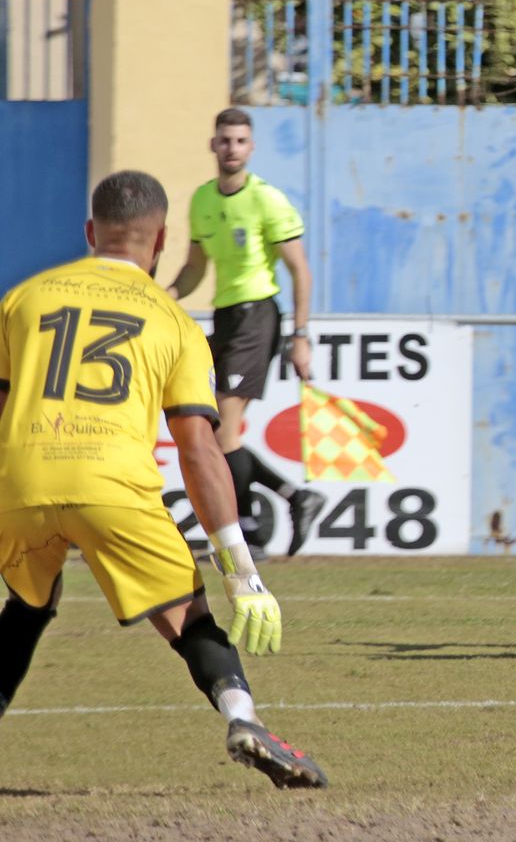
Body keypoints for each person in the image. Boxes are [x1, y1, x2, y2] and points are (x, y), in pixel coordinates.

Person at [0, 171, 328, 787]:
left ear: (91, 232)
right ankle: (244, 718)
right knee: (190, 616)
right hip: (113, 489)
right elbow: (199, 451)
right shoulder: (172, 320)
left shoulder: (23, 298)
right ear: (161, 241)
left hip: (20, 484)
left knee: (26, 606)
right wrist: (241, 572)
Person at [167, 108, 325, 557]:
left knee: (223, 428)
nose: (231, 149)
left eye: (240, 141)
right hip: (225, 317)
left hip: (257, 315)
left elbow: (300, 270)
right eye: (225, 140)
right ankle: (292, 499)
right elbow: (195, 269)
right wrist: (160, 297)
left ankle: (251, 534)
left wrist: (300, 335)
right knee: (215, 430)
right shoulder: (202, 199)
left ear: (251, 148)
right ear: (213, 145)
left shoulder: (267, 199)